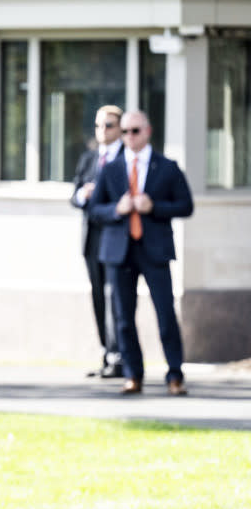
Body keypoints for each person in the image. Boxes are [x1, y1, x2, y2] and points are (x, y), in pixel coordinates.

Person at [88, 110, 194, 396]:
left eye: (134, 131)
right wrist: (116, 209)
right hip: (119, 252)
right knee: (123, 317)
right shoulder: (110, 169)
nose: (129, 137)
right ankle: (133, 374)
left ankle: (175, 374)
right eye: (124, 132)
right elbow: (94, 210)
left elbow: (186, 206)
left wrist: (154, 207)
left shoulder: (167, 167)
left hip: (154, 250)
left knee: (165, 314)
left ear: (147, 131)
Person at [71, 104, 125, 378]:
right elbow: (74, 196)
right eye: (98, 125)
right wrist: (84, 194)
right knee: (98, 298)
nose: (102, 131)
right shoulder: (89, 159)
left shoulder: (128, 159)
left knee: (116, 297)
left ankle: (121, 356)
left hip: (117, 238)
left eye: (109, 125)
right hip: (92, 239)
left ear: (120, 129)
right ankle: (107, 354)